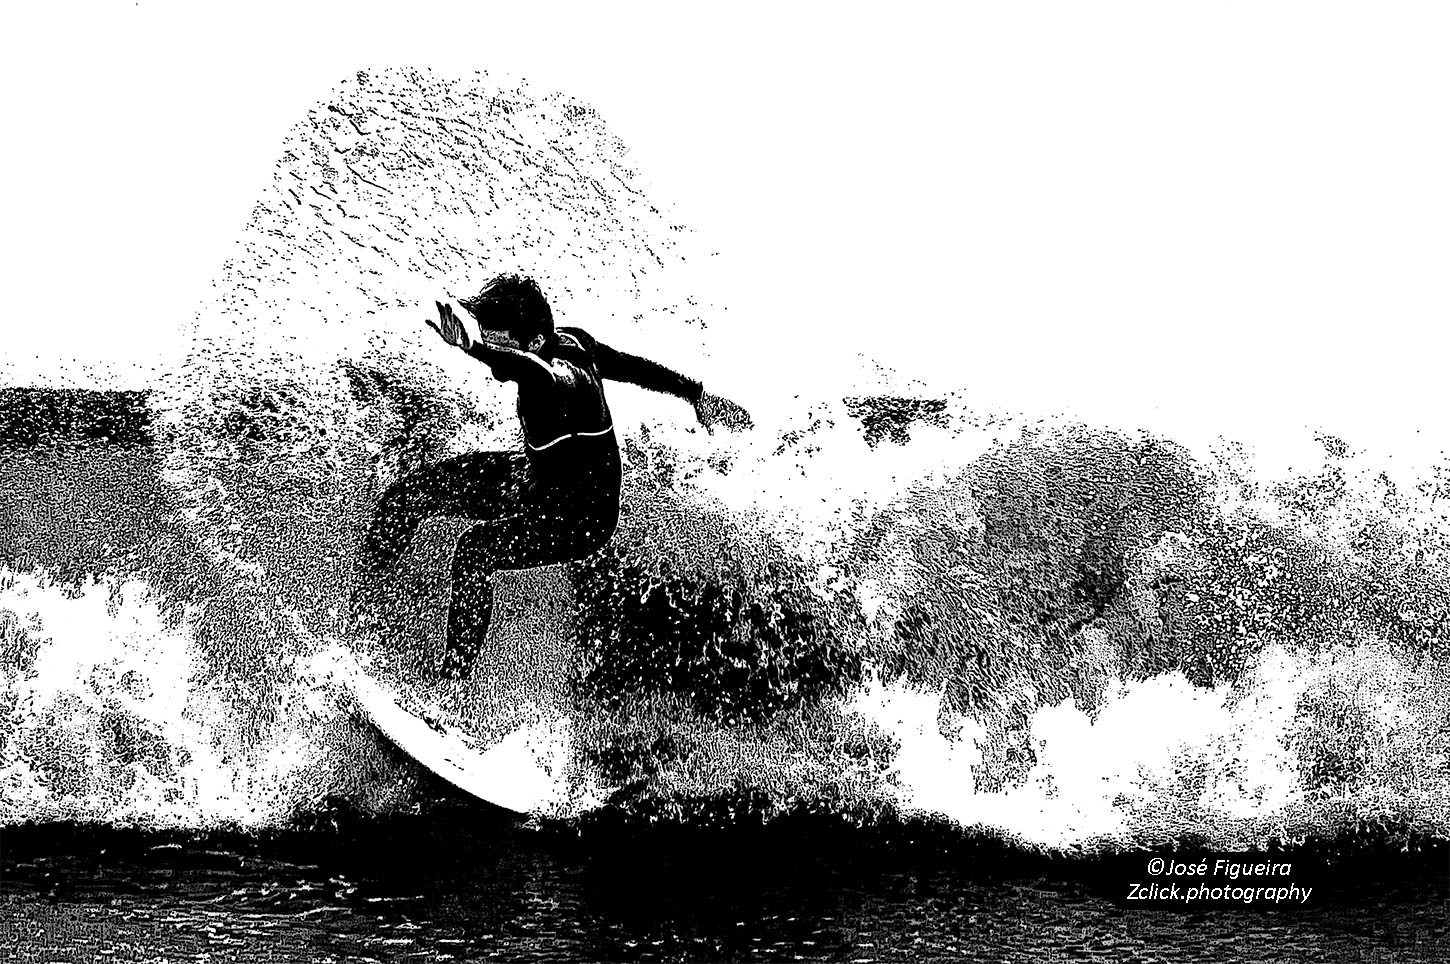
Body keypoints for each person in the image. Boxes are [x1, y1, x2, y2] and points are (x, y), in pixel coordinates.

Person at [360, 273, 751, 678]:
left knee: (474, 552)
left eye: (500, 342)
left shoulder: (556, 378)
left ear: (531, 345)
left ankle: (452, 687)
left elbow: (532, 372)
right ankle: (363, 601)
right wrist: (693, 393)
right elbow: (630, 366)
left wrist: (474, 349)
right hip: (536, 480)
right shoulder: (573, 342)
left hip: (578, 520)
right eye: (487, 337)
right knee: (414, 492)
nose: (496, 349)